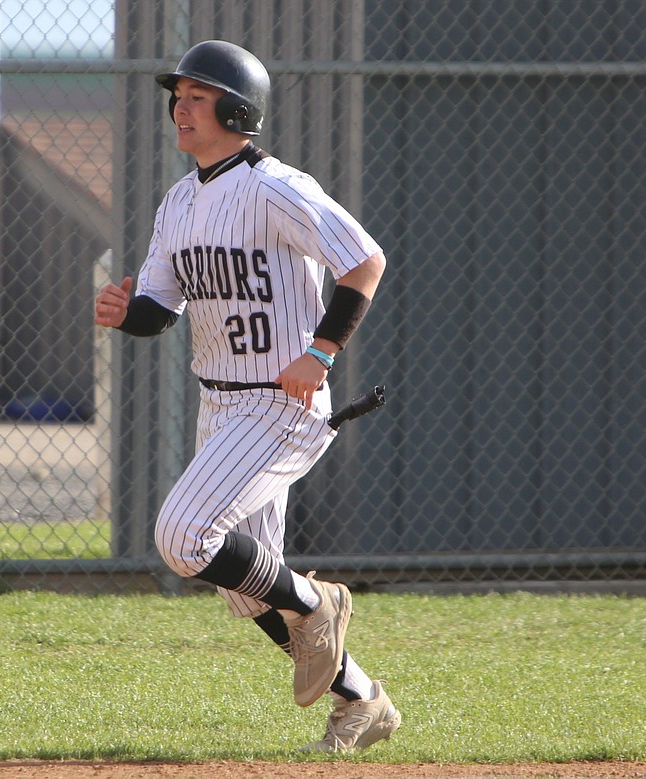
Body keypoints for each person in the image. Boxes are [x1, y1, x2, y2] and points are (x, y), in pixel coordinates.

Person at [93, 40, 399, 753]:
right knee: (244, 588)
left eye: (198, 96)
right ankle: (364, 701)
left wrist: (321, 350)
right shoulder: (179, 202)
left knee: (182, 535)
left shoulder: (275, 186)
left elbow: (365, 260)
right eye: (179, 95)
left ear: (238, 109)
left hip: (280, 402)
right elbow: (160, 311)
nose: (180, 107)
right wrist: (126, 309)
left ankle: (321, 602)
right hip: (222, 404)